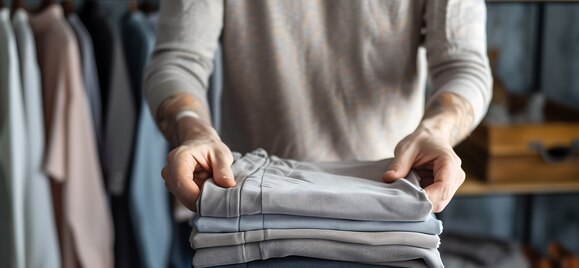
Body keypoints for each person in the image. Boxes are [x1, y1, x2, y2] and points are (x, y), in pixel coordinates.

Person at [144, 0, 492, 213]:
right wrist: (193, 128)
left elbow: (463, 65)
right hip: (249, 201)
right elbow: (179, 59)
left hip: (390, 201)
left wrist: (437, 130)